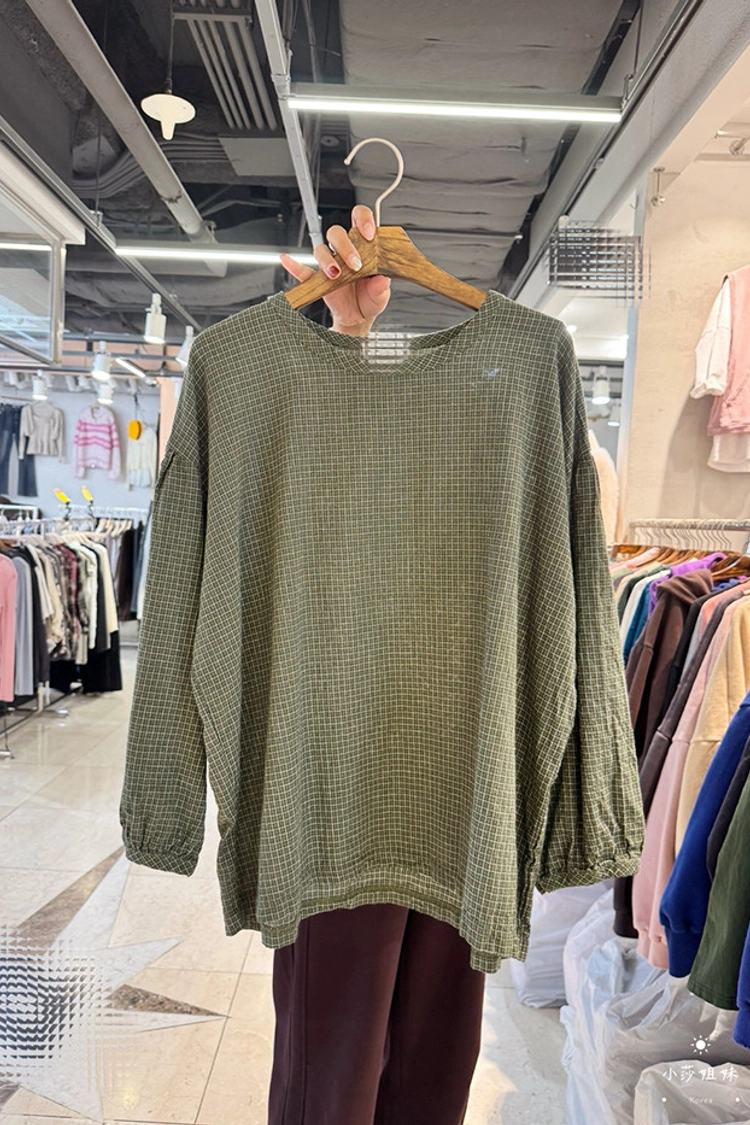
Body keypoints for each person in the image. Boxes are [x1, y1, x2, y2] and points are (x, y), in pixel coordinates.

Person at [267, 205, 488, 1125]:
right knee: (335, 1066)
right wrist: (346, 332)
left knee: (434, 1063)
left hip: (460, 793)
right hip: (339, 792)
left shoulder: (505, 421)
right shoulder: (307, 448)